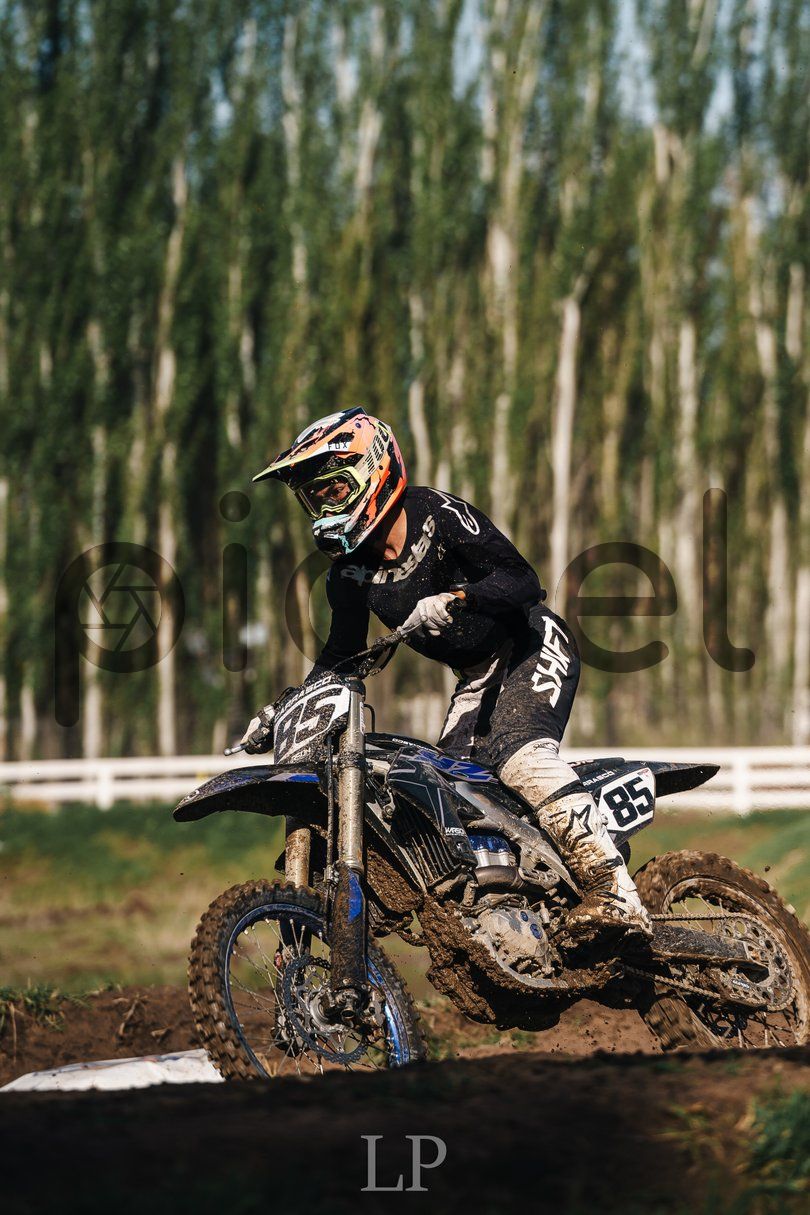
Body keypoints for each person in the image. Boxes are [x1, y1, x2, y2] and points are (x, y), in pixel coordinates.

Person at [244, 407, 652, 948]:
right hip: (476, 677)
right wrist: (286, 706)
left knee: (520, 756)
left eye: (333, 489)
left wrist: (460, 596)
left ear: (372, 470)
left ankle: (615, 892)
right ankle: (520, 909)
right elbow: (342, 654)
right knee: (451, 794)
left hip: (529, 643)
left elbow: (523, 580)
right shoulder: (348, 575)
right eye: (314, 499)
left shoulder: (436, 513)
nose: (324, 508)